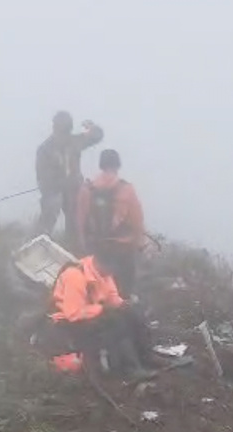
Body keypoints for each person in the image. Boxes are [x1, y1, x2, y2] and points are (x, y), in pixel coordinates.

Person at [48, 244, 158, 378]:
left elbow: (112, 297)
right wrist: (102, 309)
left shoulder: (104, 272)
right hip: (67, 322)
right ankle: (130, 369)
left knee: (133, 314)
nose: (113, 272)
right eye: (113, 267)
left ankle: (147, 357)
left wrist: (124, 305)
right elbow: (73, 313)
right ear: (102, 262)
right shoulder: (75, 275)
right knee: (116, 323)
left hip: (91, 313)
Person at [75, 149, 145, 297]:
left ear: (101, 164)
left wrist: (84, 246)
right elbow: (137, 222)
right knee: (123, 293)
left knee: (95, 292)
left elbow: (81, 221)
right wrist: (139, 244)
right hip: (121, 250)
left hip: (95, 249)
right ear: (118, 165)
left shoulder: (86, 189)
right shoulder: (127, 189)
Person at [35, 111, 104, 241]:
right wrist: (57, 184)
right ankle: (40, 241)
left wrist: (92, 127)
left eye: (67, 130)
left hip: (74, 190)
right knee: (51, 207)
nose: (64, 134)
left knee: (78, 216)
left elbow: (97, 136)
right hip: (54, 191)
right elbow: (42, 179)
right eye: (62, 130)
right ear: (55, 128)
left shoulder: (74, 142)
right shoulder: (45, 149)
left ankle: (75, 243)